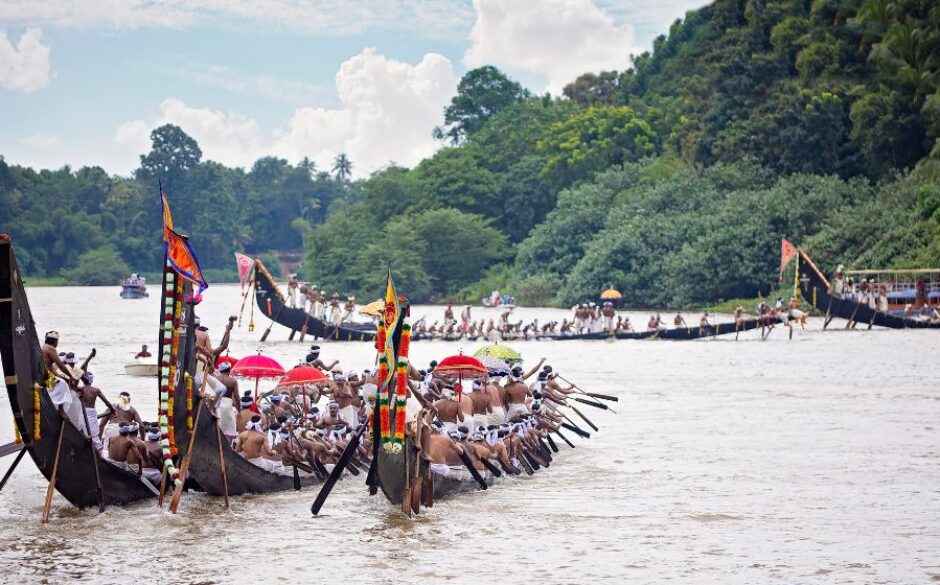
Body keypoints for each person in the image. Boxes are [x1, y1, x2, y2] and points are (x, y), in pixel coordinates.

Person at [77, 371, 114, 450]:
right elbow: (106, 402)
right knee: (93, 434)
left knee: (83, 430)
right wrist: (113, 409)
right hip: (90, 412)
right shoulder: (95, 390)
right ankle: (97, 448)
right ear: (92, 380)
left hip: (82, 412)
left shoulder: (80, 389)